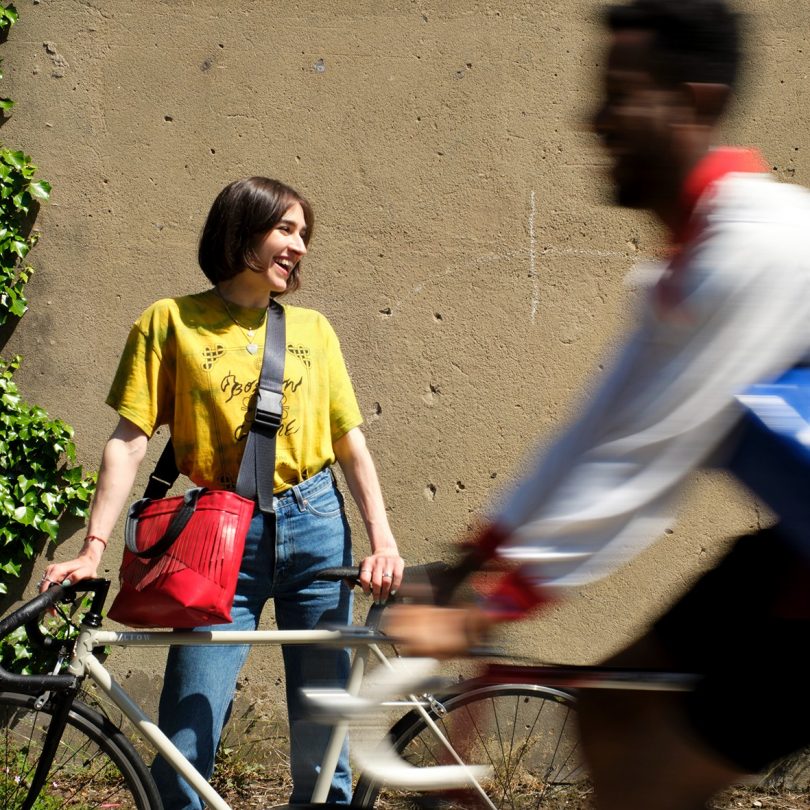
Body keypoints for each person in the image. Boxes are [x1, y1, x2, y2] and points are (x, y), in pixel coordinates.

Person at [386, 2, 810, 808]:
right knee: (611, 711)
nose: (595, 119)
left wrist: (481, 612)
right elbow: (590, 434)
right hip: (794, 550)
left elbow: (641, 462)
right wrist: (470, 568)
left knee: (652, 779)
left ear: (695, 104)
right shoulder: (681, 271)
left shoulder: (756, 250)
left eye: (620, 94)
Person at [41, 176, 405, 809]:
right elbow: (128, 440)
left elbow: (351, 443)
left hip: (315, 522)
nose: (300, 246)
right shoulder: (170, 321)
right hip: (215, 535)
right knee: (186, 736)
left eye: (303, 234)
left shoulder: (313, 330)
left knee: (324, 743)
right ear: (242, 232)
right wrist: (93, 549)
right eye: (285, 230)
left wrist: (384, 541)